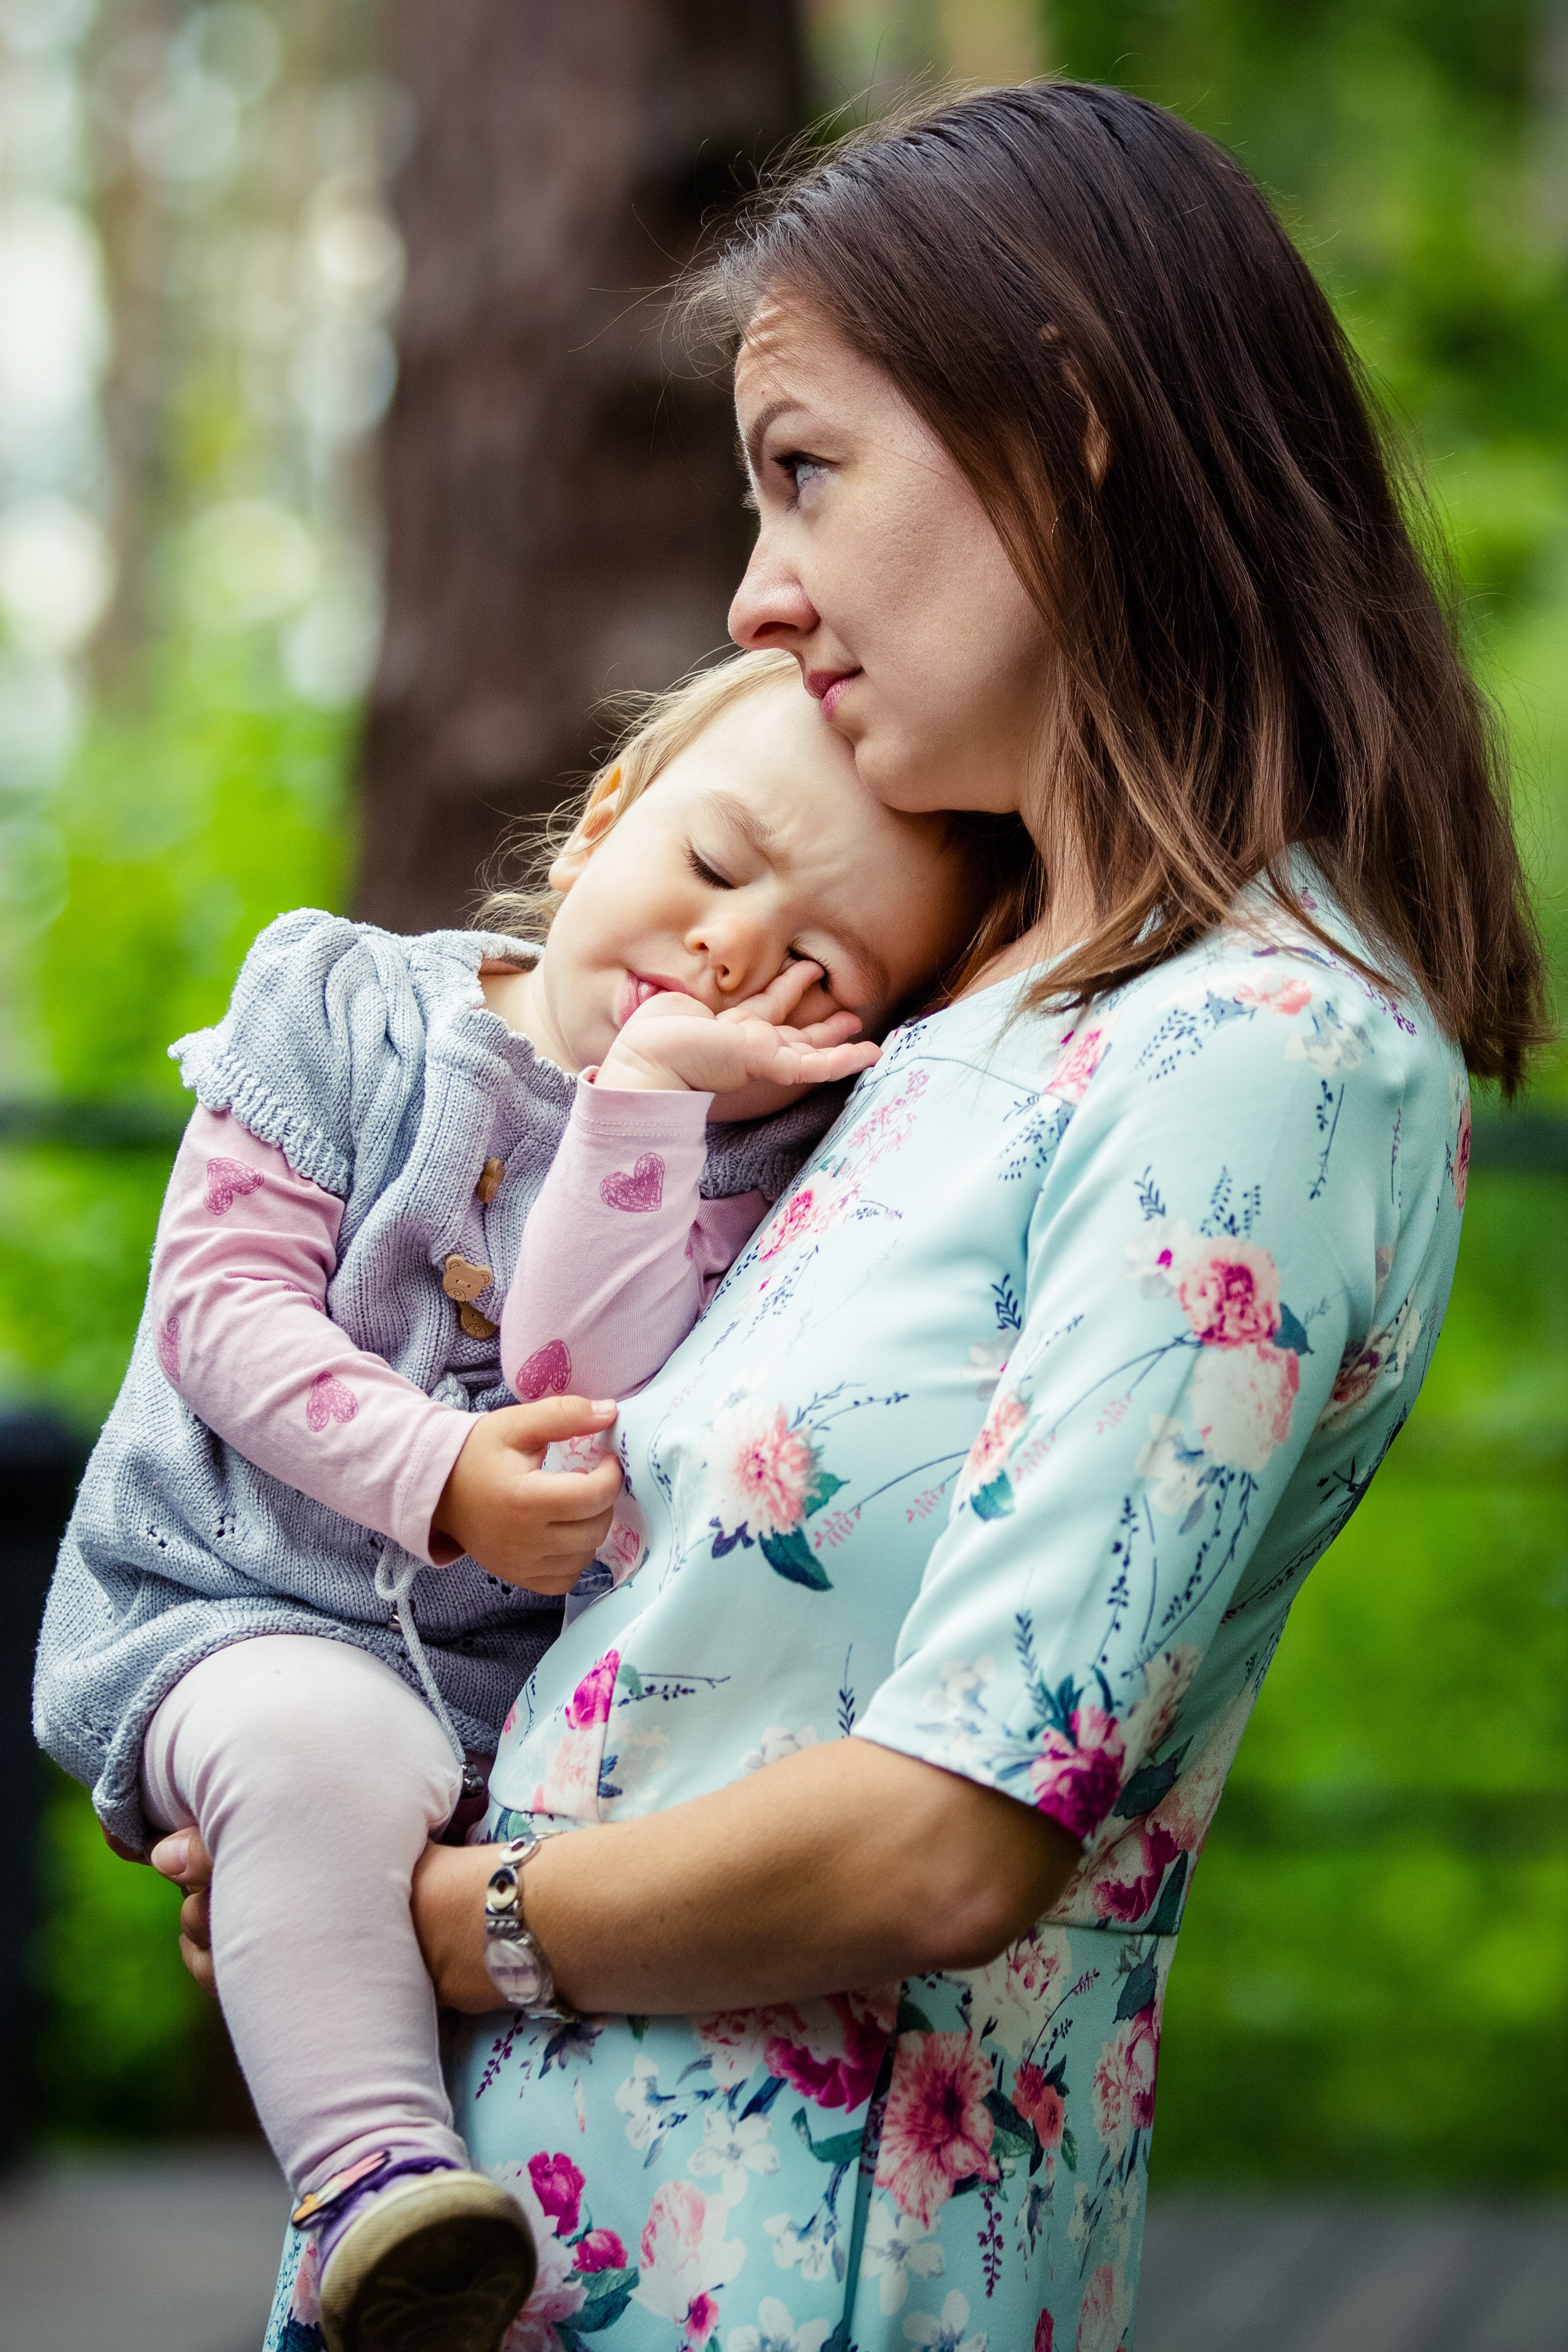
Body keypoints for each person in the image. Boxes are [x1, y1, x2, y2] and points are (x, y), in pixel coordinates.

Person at [171, 80, 1540, 2352]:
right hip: (519, 2248)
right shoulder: (938, 1026)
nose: (752, 590)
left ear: (1068, 429)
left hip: (805, 2278)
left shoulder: (1267, 1053)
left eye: (805, 469)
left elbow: (953, 1832)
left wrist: (421, 1925)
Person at [34, 651, 998, 2350]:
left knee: (426, 1854)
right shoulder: (343, 1006)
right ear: (602, 819)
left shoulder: (751, 1173)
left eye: (816, 973)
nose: (732, 951)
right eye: (716, 865)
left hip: (497, 1713)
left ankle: (466, 2245)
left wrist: (647, 1111)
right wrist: (435, 1470)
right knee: (306, 1749)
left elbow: (573, 1372)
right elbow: (218, 1307)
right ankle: (375, 2188)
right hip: (232, 1602)